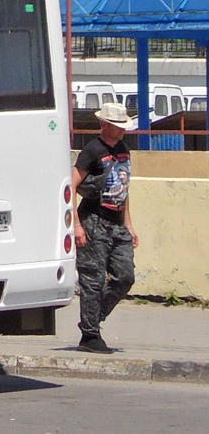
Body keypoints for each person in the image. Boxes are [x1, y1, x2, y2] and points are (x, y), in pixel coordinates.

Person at [71, 102, 140, 354]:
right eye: (118, 126)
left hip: (116, 222)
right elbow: (71, 186)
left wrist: (129, 225)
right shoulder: (91, 151)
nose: (123, 131)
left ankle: (93, 318)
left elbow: (124, 189)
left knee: (125, 276)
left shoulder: (124, 149)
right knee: (92, 279)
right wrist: (76, 225)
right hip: (93, 221)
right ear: (105, 125)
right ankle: (90, 336)